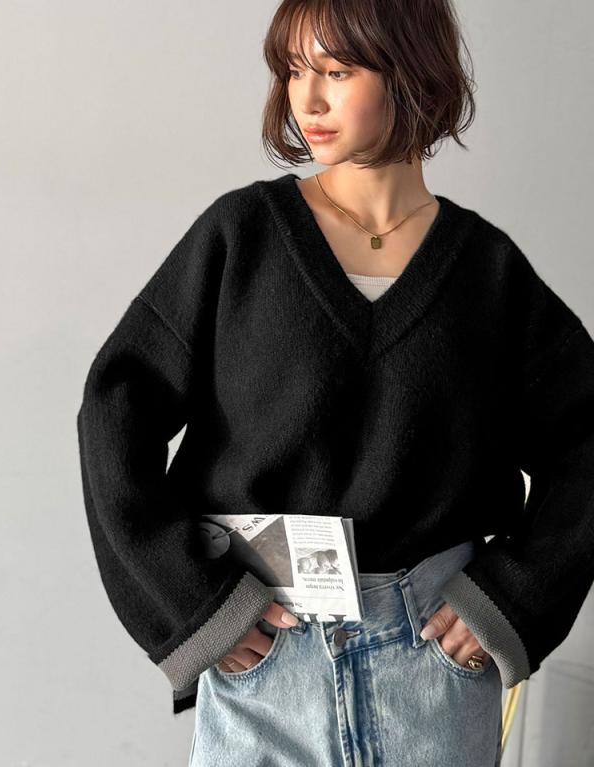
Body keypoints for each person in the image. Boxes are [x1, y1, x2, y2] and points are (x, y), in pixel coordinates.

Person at [76, 1, 594, 765]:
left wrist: (515, 597)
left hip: (434, 669)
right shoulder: (240, 238)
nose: (307, 99)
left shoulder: (486, 273)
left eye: (338, 71)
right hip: (265, 658)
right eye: (294, 71)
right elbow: (115, 408)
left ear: (410, 70)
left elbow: (584, 439)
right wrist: (191, 603)